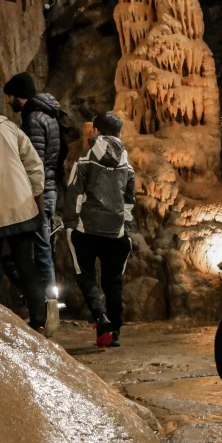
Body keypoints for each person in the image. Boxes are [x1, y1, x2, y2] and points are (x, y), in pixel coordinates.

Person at [64, 112, 135, 347]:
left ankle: (100, 316)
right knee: (112, 282)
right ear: (120, 135)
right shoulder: (127, 163)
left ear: (95, 131)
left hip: (87, 228)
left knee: (85, 275)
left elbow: (74, 191)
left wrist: (70, 222)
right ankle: (114, 333)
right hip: (115, 231)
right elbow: (129, 199)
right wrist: (126, 226)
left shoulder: (85, 159)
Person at [3, 72, 62, 300]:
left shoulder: (34, 119)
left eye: (10, 97)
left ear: (19, 96)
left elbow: (34, 163)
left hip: (38, 192)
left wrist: (31, 194)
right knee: (41, 248)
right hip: (48, 189)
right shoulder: (48, 116)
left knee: (39, 249)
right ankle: (45, 302)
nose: (8, 102)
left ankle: (46, 305)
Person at [0, 111, 47, 332]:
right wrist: (37, 197)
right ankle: (39, 322)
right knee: (26, 265)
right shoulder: (11, 128)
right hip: (22, 207)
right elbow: (35, 165)